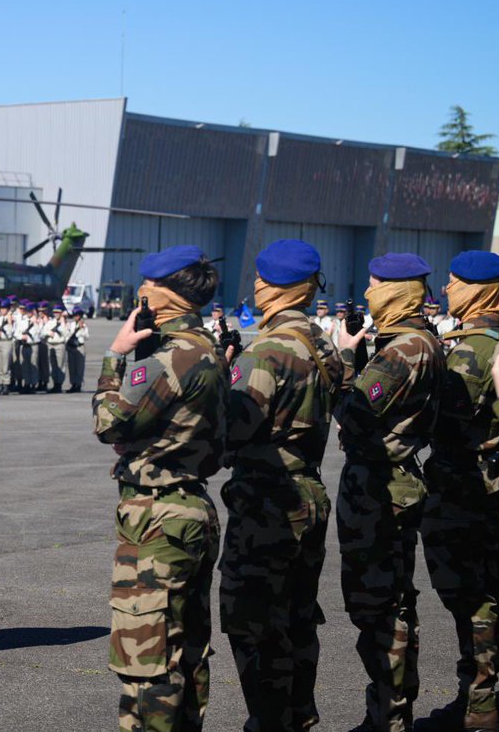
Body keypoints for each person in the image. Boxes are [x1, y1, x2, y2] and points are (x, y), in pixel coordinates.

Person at [92, 245, 227, 732]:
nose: (139, 293)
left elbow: (110, 423)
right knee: (186, 653)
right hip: (191, 509)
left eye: (145, 286)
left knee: (147, 664)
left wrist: (115, 357)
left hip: (158, 517)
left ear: (161, 294)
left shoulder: (172, 356)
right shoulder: (206, 346)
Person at [221, 240, 344, 732]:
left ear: (268, 286)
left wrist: (221, 376)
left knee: (252, 619)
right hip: (308, 492)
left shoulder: (268, 351)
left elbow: (234, 430)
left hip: (267, 501)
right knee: (296, 614)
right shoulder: (319, 341)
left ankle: (269, 720)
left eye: (258, 278)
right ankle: (299, 712)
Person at [333, 253, 445, 732]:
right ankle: (387, 709)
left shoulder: (406, 349)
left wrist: (341, 357)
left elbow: (355, 413)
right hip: (387, 482)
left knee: (380, 607)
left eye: (376, 284)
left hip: (382, 488)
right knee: (387, 603)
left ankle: (390, 717)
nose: (368, 293)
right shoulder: (412, 341)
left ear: (399, 290)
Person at [419, 251, 499, 732]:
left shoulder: (470, 349)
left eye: (454, 283)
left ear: (480, 289)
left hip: (466, 494)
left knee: (473, 602)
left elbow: (443, 421)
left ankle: (479, 707)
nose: (446, 290)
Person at [0, 299, 16, 396]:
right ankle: (0, 384)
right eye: (1, 308)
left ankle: (6, 385)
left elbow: (11, 333)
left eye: (4, 308)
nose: (2, 310)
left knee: (5, 365)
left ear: (8, 309)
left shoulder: (12, 319)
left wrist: (9, 323)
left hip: (6, 342)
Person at [66, 307, 89, 393]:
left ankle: (78, 384)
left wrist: (82, 328)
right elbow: (68, 334)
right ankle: (73, 383)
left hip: (79, 346)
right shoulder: (71, 324)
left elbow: (87, 336)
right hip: (71, 346)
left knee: (79, 366)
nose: (75, 317)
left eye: (77, 315)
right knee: (72, 366)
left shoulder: (84, 325)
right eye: (74, 315)